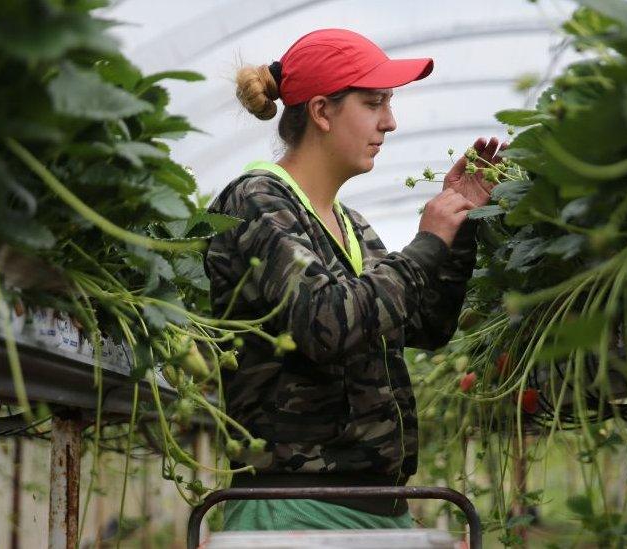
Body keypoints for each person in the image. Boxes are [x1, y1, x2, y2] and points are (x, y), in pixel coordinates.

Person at [203, 28, 507, 531]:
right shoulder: (258, 201)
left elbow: (426, 326)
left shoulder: (351, 224)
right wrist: (426, 243)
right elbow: (327, 324)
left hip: (374, 503)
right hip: (294, 508)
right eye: (374, 103)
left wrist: (459, 230)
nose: (389, 122)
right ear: (322, 112)